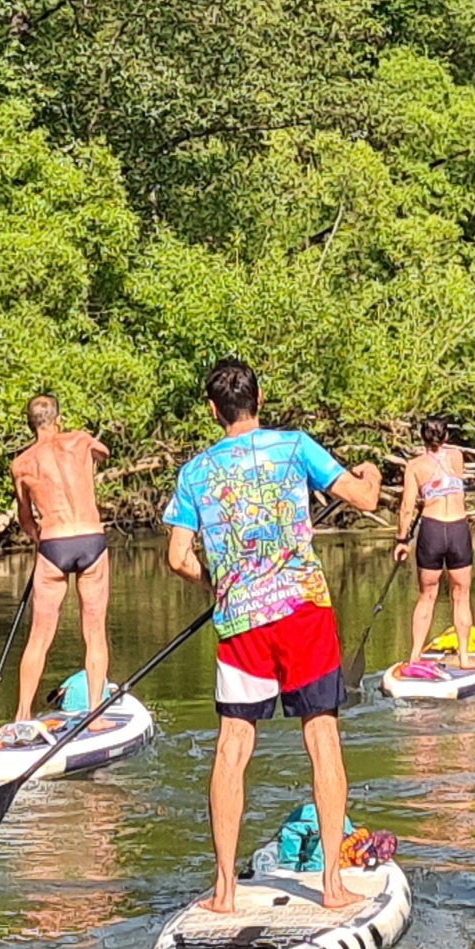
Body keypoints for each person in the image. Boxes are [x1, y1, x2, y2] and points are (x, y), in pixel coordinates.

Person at [164, 357, 382, 914]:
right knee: (322, 738)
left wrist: (217, 581)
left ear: (214, 410)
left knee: (232, 747)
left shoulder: (194, 473)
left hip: (240, 621)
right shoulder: (295, 446)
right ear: (258, 399)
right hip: (302, 611)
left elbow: (177, 558)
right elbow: (364, 499)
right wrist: (372, 474)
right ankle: (332, 884)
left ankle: (224, 891)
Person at [10, 394, 112, 724]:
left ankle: (22, 716)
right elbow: (104, 453)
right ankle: (96, 713)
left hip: (54, 545)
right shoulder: (79, 440)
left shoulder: (21, 464)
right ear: (59, 419)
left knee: (39, 637)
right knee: (94, 633)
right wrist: (89, 453)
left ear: (30, 424)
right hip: (91, 539)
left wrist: (40, 539)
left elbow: (26, 520)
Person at [395, 417, 475, 664]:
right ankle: (464, 657)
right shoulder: (457, 456)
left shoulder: (414, 466)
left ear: (422, 437)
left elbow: (406, 508)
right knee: (461, 595)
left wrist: (401, 540)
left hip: (432, 531)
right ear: (447, 436)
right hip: (458, 530)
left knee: (427, 596)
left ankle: (415, 656)